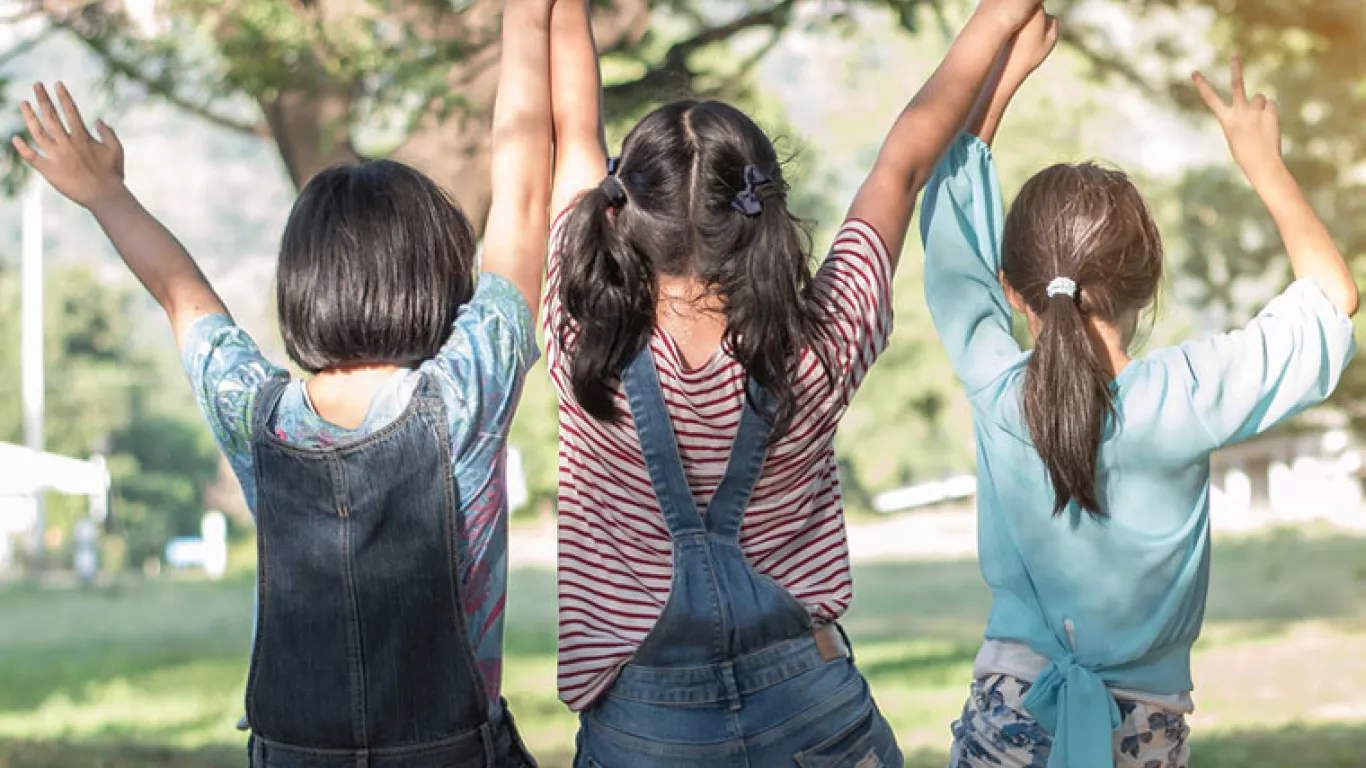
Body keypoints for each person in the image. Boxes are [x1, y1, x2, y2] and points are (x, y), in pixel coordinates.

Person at [13, 0, 556, 762]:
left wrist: (106, 195)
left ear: (301, 284)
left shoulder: (256, 418)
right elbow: (525, 192)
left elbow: (181, 293)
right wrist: (528, 19)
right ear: (439, 282)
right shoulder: (465, 395)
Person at [542, 0, 1043, 764]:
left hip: (644, 727)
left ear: (619, 214)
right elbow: (902, 165)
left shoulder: (582, 335)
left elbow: (574, 129)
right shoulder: (822, 338)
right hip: (814, 710)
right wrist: (998, 22)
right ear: (764, 206)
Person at [920, 13, 1359, 767]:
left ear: (1014, 292)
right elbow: (1332, 299)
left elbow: (951, 237)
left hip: (1007, 720)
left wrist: (1001, 82)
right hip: (1145, 736)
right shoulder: (1187, 394)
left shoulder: (998, 388)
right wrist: (1262, 163)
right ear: (1145, 285)